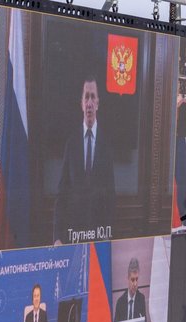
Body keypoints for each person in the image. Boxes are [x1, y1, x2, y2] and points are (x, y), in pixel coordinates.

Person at [53, 77, 116, 245]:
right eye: (86, 97)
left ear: (98, 103)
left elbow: (110, 196)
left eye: (92, 97)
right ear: (81, 103)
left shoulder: (107, 144)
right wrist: (58, 237)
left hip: (99, 237)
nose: (89, 102)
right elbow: (61, 193)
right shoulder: (71, 144)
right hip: (73, 237)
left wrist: (107, 235)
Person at [114, 258, 152, 322]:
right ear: (127, 278)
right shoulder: (120, 302)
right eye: (132, 280)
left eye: (137, 279)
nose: (135, 284)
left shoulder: (141, 299)